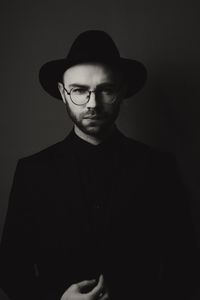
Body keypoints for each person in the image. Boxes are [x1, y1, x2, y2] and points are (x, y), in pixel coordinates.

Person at [0, 30, 199, 300]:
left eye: (106, 90)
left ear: (123, 90)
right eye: (79, 90)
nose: (93, 104)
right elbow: (10, 272)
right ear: (62, 92)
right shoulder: (31, 172)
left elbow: (184, 269)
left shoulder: (159, 169)